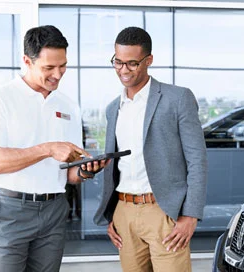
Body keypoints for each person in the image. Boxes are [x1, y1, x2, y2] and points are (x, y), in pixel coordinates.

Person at [0, 25, 108, 272]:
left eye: (63, 66)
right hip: (11, 210)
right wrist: (47, 149)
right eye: (49, 68)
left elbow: (69, 173)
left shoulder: (68, 106)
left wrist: (87, 170)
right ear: (27, 61)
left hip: (54, 210)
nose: (58, 75)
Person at [93, 27, 208, 272]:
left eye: (132, 63)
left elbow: (197, 160)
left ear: (149, 60)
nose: (123, 70)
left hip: (163, 213)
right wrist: (112, 213)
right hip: (124, 212)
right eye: (118, 62)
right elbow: (116, 166)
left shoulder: (178, 98)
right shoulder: (113, 108)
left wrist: (190, 216)